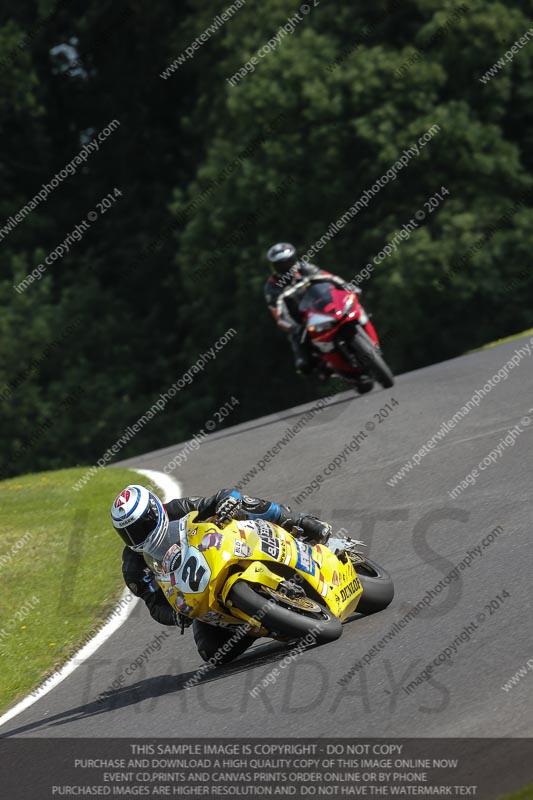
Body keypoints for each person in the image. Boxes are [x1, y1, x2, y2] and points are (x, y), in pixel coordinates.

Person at [111, 485, 331, 664]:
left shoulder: (178, 509)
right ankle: (259, 621)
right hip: (201, 595)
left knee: (242, 503)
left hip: (224, 548)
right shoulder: (133, 568)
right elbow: (155, 605)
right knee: (211, 653)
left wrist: (227, 502)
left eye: (141, 526)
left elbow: (219, 497)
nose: (136, 536)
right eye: (127, 533)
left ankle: (297, 520)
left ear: (155, 511)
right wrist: (174, 616)